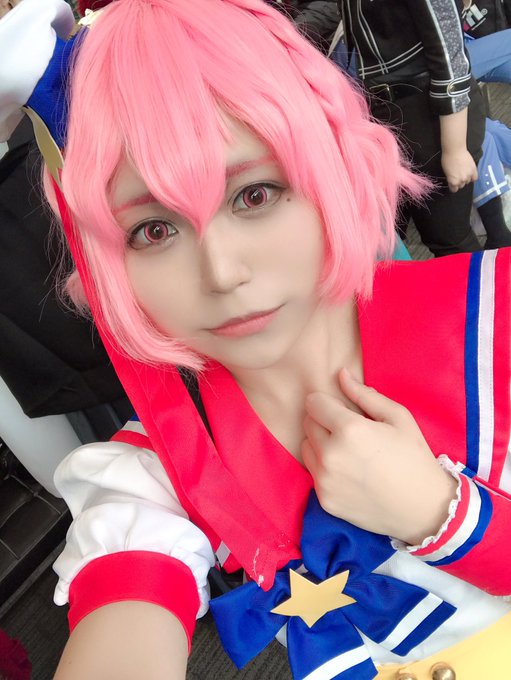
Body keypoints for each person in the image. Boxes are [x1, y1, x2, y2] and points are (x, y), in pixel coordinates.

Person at [5, 0, 510, 678]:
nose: (221, 273)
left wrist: (441, 513)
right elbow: (127, 593)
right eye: (153, 230)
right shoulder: (154, 472)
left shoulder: (493, 318)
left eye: (254, 194)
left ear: (330, 162)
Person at [338, 0, 486, 257]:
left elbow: (450, 55)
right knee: (385, 235)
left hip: (431, 116)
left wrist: (455, 149)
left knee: (449, 239)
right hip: (387, 112)